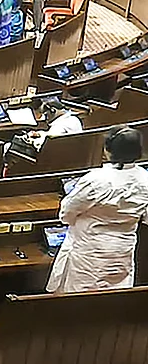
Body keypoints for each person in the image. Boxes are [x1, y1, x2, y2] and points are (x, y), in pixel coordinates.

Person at [47, 126, 148, 294]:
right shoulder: (146, 179)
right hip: (122, 250)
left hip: (88, 249)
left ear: (108, 150)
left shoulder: (96, 179)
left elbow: (66, 213)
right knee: (113, 301)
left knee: (78, 301)